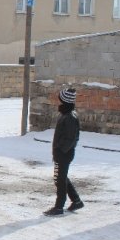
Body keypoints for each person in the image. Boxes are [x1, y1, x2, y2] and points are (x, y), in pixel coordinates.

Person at [43, 88, 84, 216]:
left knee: (60, 179)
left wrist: (61, 149)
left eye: (61, 99)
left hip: (64, 154)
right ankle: (76, 201)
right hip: (62, 153)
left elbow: (71, 138)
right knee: (61, 177)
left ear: (65, 101)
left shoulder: (70, 116)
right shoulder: (66, 114)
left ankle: (59, 206)